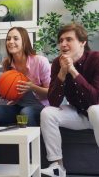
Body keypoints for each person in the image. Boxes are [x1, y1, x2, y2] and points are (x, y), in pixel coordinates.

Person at [41, 23, 99, 177]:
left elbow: (95, 99)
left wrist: (73, 71)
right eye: (61, 40)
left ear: (82, 42)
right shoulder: (57, 63)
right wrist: (61, 73)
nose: (63, 44)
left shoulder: (96, 59)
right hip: (79, 114)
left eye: (69, 39)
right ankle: (57, 167)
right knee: (48, 112)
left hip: (97, 113)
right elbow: (53, 102)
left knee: (94, 110)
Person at [0, 27, 51, 163]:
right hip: (18, 105)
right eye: (8, 39)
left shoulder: (40, 61)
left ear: (24, 41)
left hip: (40, 106)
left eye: (16, 38)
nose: (11, 42)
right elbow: (13, 93)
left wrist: (32, 86)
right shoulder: (7, 64)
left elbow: (51, 93)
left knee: (25, 113)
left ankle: (31, 161)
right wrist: (5, 94)